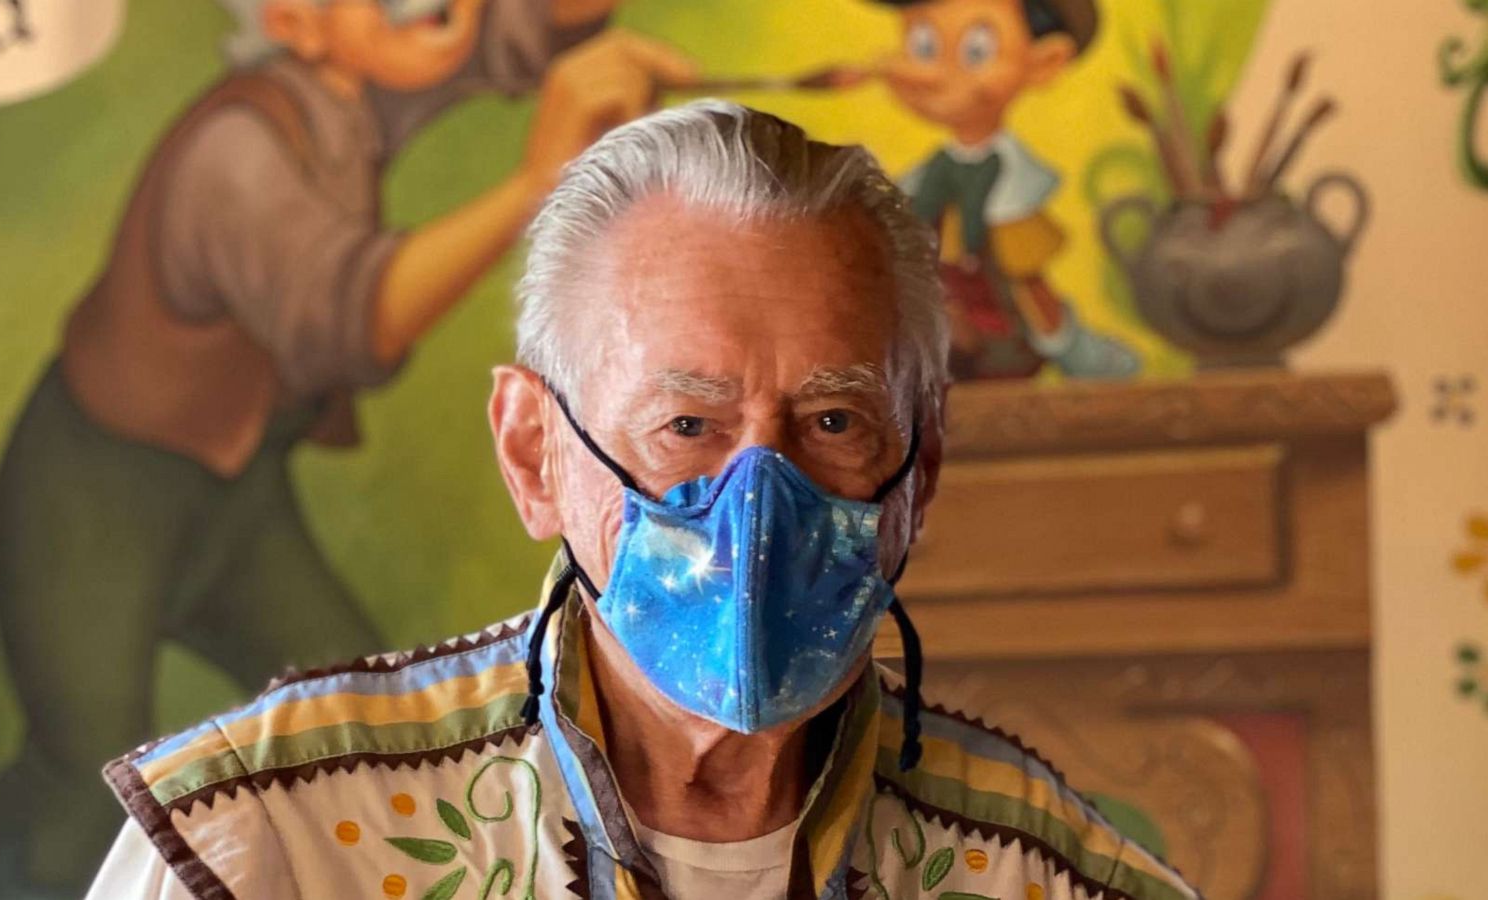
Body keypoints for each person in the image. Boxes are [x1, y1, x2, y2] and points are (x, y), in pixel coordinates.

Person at [85, 102, 1197, 900]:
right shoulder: (259, 849)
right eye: (686, 429)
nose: (758, 509)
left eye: (832, 424)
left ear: (921, 477)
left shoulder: (1043, 874)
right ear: (533, 455)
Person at [0, 1, 694, 896]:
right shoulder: (233, 153)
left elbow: (513, 33)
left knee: (362, 732)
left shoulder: (358, 86)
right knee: (80, 771)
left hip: (234, 495)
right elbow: (351, 320)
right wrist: (536, 180)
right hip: (91, 503)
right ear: (297, 21)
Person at [873, 0, 1139, 380]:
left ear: (1044, 62)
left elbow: (1029, 285)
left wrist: (1072, 350)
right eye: (924, 46)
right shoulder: (925, 177)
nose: (931, 74)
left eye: (975, 51)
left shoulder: (1009, 189)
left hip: (999, 339)